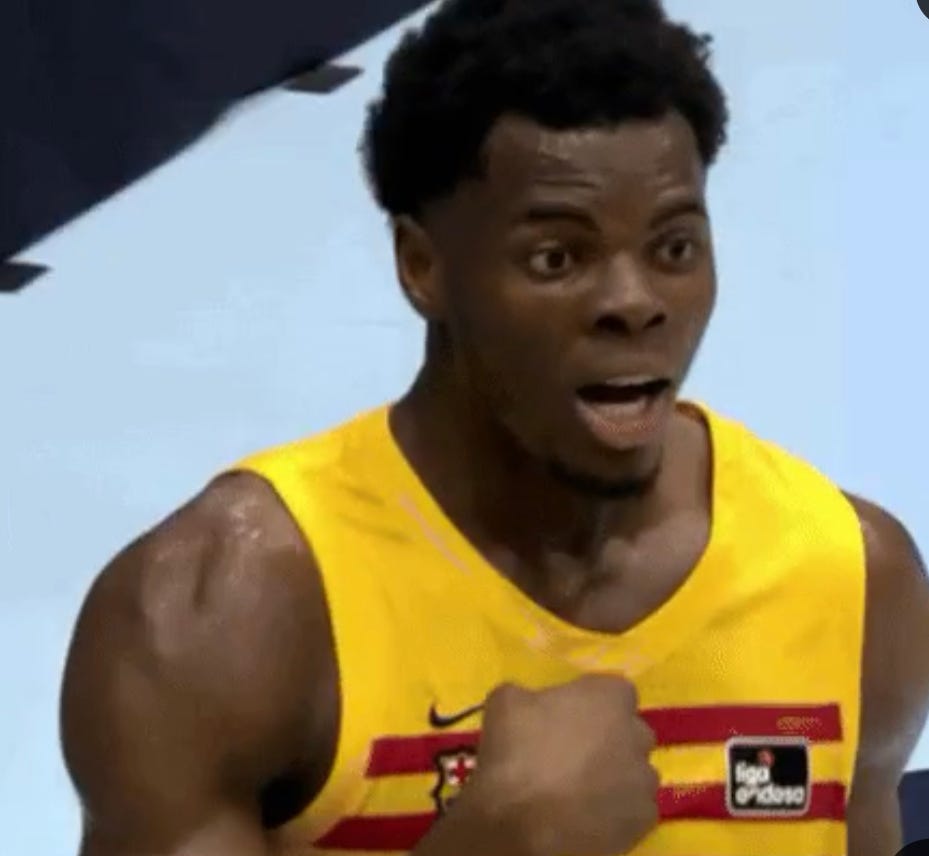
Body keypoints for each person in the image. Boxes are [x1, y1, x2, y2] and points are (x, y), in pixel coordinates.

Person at [60, 1, 929, 854]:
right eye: (557, 257)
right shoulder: (217, 618)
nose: (633, 303)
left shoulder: (856, 584)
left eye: (672, 249)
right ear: (421, 266)